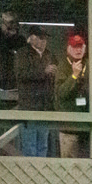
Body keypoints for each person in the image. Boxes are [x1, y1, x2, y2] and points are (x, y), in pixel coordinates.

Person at [13, 27, 56, 157]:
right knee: (29, 147)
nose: (44, 41)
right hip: (29, 107)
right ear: (32, 38)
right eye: (41, 38)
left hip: (45, 108)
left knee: (43, 146)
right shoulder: (22, 54)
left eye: (45, 39)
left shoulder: (49, 55)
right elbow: (20, 75)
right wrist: (43, 72)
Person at [52, 33, 90, 158]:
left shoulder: (90, 66)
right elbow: (61, 93)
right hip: (69, 128)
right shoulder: (62, 67)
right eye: (75, 47)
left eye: (80, 47)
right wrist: (74, 76)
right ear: (68, 49)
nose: (78, 50)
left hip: (87, 127)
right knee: (69, 166)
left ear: (85, 48)